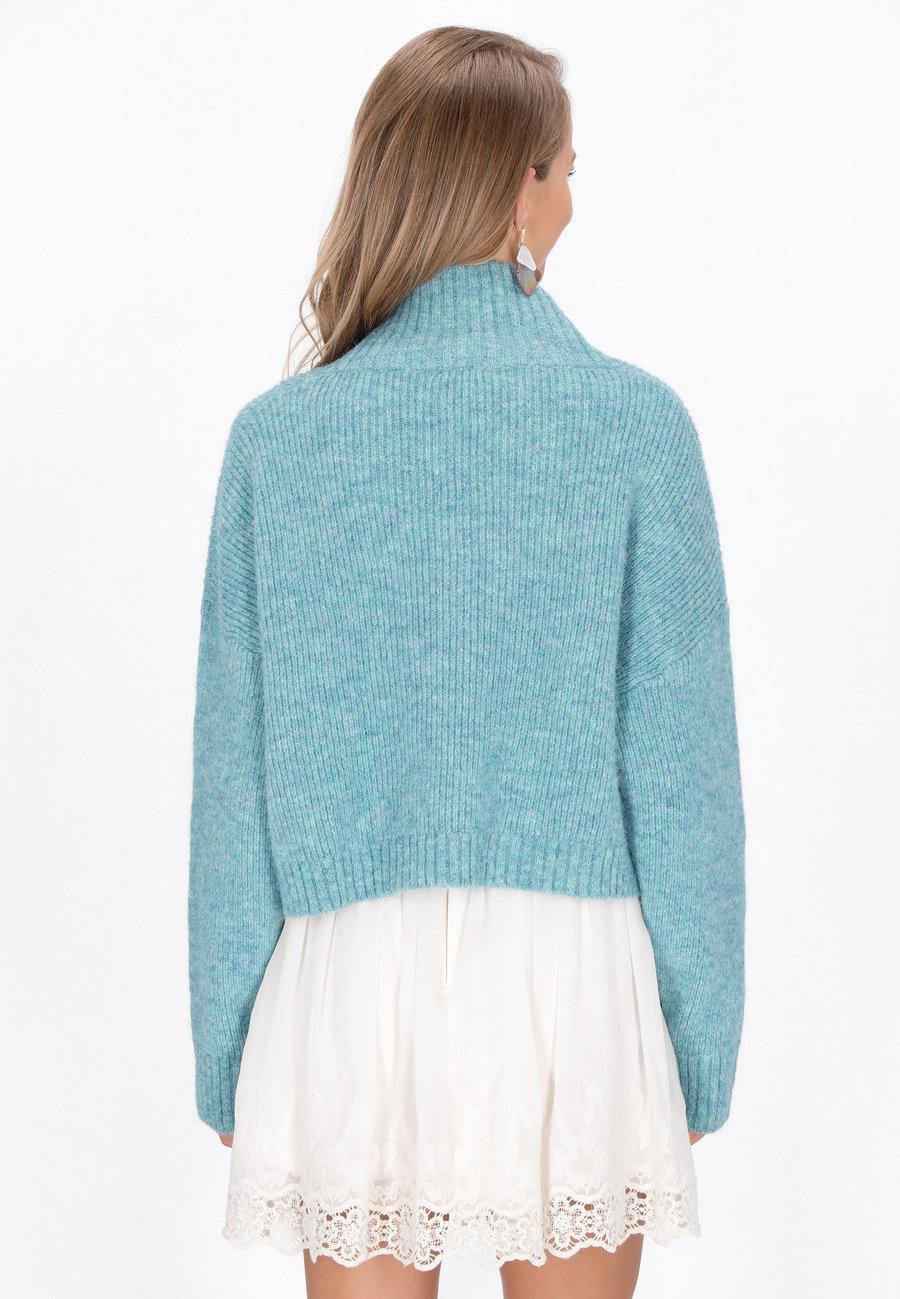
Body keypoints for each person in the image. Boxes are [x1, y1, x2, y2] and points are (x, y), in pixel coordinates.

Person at [188, 25, 745, 1299]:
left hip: (349, 976)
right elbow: (683, 775)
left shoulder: (278, 441)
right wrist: (699, 1035)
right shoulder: (636, 427)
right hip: (575, 971)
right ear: (515, 188)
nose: (572, 201)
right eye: (565, 171)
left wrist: (227, 1044)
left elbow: (236, 770)